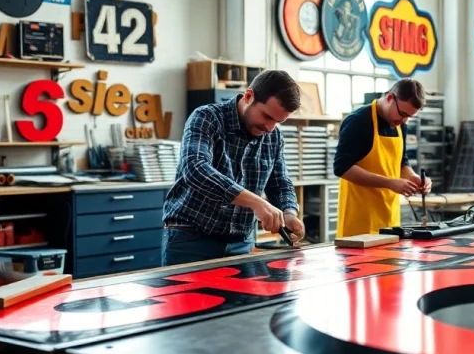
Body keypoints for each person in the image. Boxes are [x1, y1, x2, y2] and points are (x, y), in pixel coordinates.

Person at [162, 70, 306, 266]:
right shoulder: (206, 118)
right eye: (266, 116)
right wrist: (257, 202)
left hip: (241, 243)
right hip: (191, 240)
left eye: (278, 122)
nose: (270, 128)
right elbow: (195, 169)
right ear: (248, 96)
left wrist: (289, 212)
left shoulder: (274, 137)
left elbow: (280, 184)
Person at [334, 79, 432, 237]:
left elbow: (401, 161)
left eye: (409, 117)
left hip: (390, 219)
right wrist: (390, 183)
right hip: (360, 221)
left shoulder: (400, 124)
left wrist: (414, 178)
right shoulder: (358, 121)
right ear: (390, 98)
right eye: (403, 114)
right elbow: (342, 168)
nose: (404, 121)